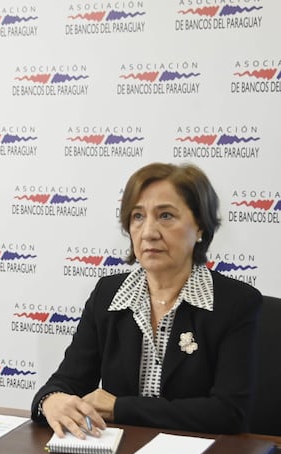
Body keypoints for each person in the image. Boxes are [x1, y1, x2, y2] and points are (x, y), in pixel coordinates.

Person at [31, 162, 262, 438]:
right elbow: (66, 382)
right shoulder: (108, 294)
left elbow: (228, 413)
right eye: (138, 217)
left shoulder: (235, 303)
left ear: (200, 226)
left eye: (165, 216)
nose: (149, 231)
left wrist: (120, 408)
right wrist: (51, 401)